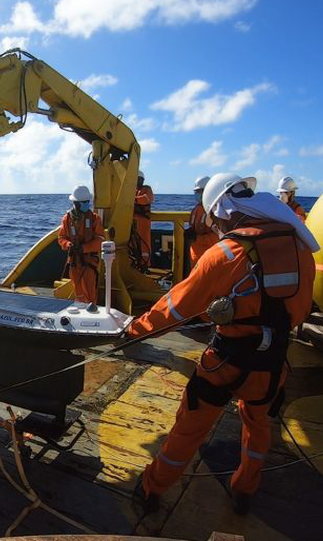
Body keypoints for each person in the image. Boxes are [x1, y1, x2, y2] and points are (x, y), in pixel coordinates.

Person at [127, 172, 318, 515]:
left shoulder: (224, 254)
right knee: (258, 428)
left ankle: (151, 489)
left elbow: (175, 308)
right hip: (272, 365)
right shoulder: (301, 249)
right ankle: (245, 490)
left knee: (190, 428)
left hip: (225, 363)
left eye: (214, 218)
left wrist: (134, 331)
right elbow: (301, 308)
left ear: (223, 211)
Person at [58, 185, 104, 304]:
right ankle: (80, 310)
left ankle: (92, 313)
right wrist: (68, 245)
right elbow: (61, 238)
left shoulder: (94, 218)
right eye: (84, 202)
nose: (87, 204)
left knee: (90, 292)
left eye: (88, 202)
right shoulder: (66, 219)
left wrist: (83, 248)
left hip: (89, 262)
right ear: (76, 203)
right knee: (78, 292)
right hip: (74, 262)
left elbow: (100, 240)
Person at [188, 176, 219, 263]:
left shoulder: (215, 210)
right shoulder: (197, 208)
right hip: (195, 254)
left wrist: (197, 237)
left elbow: (217, 235)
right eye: (196, 192)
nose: (197, 194)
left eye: (199, 191)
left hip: (208, 256)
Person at [133, 171, 154, 270]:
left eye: (140, 179)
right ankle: (134, 263)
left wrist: (134, 199)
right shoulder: (131, 190)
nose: (138, 181)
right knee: (132, 243)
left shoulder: (147, 189)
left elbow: (147, 199)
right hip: (132, 221)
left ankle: (145, 264)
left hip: (143, 222)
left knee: (145, 243)